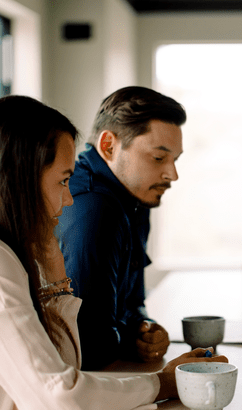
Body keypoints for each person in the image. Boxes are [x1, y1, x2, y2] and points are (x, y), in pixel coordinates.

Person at [0, 95, 225, 409]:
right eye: (64, 181)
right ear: (19, 179)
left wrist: (53, 273)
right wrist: (162, 384)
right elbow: (59, 397)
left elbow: (63, 371)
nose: (68, 200)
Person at [57, 86, 184, 370]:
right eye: (158, 158)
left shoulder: (135, 198)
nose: (172, 174)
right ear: (109, 146)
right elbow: (89, 347)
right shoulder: (93, 208)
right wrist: (129, 338)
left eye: (175, 159)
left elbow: (132, 301)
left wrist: (143, 329)